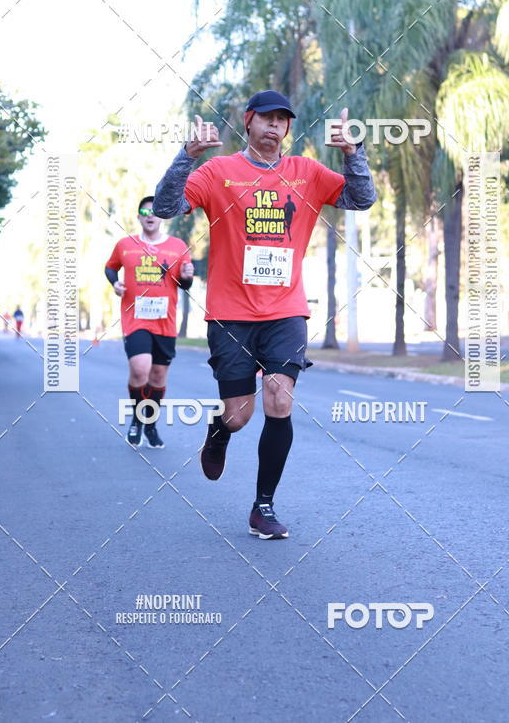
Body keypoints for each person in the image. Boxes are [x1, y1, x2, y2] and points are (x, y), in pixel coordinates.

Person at [153, 90, 377, 539]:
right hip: (230, 314)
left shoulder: (306, 173)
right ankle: (219, 431)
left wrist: (354, 154)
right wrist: (186, 156)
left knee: (279, 398)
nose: (275, 126)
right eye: (267, 118)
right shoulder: (219, 172)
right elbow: (164, 207)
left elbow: (361, 199)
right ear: (249, 121)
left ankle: (263, 506)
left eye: (283, 120)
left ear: (288, 129)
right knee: (239, 416)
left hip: (286, 311)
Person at [104, 197, 194, 449]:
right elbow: (110, 268)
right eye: (145, 211)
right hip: (136, 319)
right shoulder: (125, 244)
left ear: (162, 216)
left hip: (165, 321)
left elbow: (184, 284)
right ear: (139, 216)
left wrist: (187, 277)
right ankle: (136, 419)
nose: (150, 215)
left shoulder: (178, 246)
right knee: (140, 370)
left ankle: (150, 424)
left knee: (157, 377)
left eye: (155, 212)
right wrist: (115, 284)